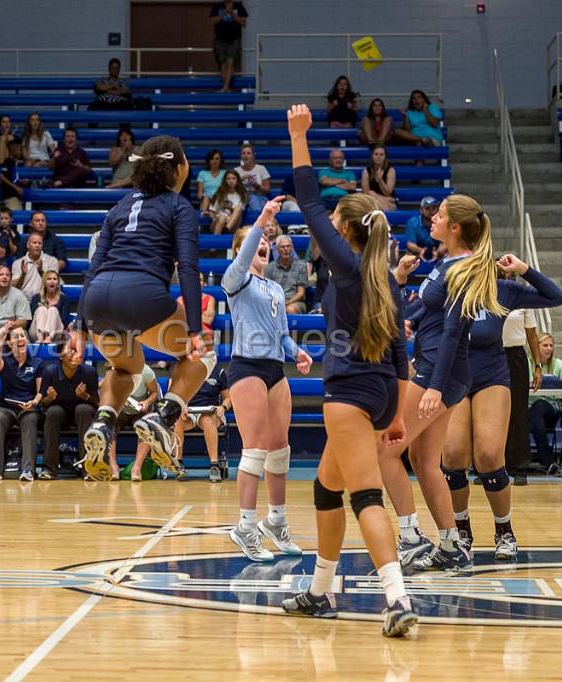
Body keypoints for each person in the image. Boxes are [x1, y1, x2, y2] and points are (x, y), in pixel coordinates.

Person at [280, 105, 417, 636]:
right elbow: (403, 356)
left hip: (351, 392)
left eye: (334, 225)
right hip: (382, 391)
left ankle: (397, 599)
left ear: (344, 231)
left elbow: (310, 201)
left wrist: (298, 137)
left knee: (364, 496)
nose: (325, 228)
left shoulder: (351, 265)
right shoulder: (384, 276)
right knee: (324, 488)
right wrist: (399, 415)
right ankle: (320, 591)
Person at [377, 191, 504, 575]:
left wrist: (433, 387)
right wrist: (401, 289)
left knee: (385, 449)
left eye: (440, 215)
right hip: (438, 368)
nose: (431, 218)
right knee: (423, 460)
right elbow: (425, 313)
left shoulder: (462, 269)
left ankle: (411, 538)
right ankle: (450, 545)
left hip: (438, 369)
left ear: (455, 227)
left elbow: (453, 332)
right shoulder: (446, 262)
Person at [77, 135, 215, 480]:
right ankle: (165, 418)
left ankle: (105, 421)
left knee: (128, 369)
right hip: (141, 297)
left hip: (98, 300)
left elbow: (93, 268)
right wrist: (195, 331)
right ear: (179, 168)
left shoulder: (120, 206)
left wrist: (79, 328)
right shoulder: (179, 206)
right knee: (204, 354)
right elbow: (187, 267)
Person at [438, 256, 562, 563]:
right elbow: (417, 319)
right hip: (453, 374)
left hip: (491, 373)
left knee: (489, 456)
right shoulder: (446, 285)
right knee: (453, 456)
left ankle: (504, 531)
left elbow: (556, 296)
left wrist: (524, 269)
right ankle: (462, 531)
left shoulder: (503, 289)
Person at [220, 208, 313, 561]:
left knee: (279, 448)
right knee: (255, 448)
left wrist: (297, 352)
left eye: (266, 243)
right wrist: (260, 223)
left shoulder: (274, 286)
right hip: (246, 368)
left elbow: (282, 334)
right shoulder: (236, 278)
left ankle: (276, 521)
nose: (264, 245)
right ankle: (245, 527)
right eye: (255, 242)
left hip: (275, 368)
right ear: (242, 250)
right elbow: (242, 262)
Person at [0, 323, 43, 481]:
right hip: (7, 407)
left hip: (28, 407)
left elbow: (40, 392)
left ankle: (28, 470)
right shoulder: (4, 357)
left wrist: (33, 402)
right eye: (16, 337)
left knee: (31, 419)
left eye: (23, 336)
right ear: (10, 343)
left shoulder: (37, 362)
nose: (20, 339)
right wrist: (0, 341)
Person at [39, 338, 99, 479]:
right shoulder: (50, 372)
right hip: (60, 416)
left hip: (82, 416)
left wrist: (85, 396)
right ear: (60, 356)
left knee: (83, 409)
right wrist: (49, 398)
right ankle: (49, 469)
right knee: (53, 412)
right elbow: (42, 404)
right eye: (70, 350)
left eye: (76, 351)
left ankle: (88, 469)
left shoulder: (89, 372)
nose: (74, 354)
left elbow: (97, 403)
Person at [503, 296, 543, 486]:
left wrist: (537, 366)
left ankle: (519, 467)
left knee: (518, 413)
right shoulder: (484, 290)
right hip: (490, 355)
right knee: (491, 414)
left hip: (516, 357)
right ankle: (491, 466)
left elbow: (532, 336)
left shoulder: (522, 297)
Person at [173, 366, 231, 480]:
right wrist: (181, 405)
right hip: (189, 412)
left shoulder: (219, 372)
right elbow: (175, 395)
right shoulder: (185, 370)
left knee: (207, 419)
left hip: (211, 412)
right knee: (177, 420)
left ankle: (214, 465)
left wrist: (223, 407)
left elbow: (228, 398)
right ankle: (178, 463)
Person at [528, 333, 562, 472]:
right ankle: (548, 461)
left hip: (550, 410)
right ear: (536, 347)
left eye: (551, 345)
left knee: (539, 405)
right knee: (532, 413)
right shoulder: (526, 362)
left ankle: (533, 459)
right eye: (545, 345)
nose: (549, 349)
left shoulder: (558, 364)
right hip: (528, 410)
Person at [118, 364, 161, 481]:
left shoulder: (147, 371)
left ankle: (137, 468)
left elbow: (154, 393)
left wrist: (147, 402)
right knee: (109, 422)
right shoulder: (116, 370)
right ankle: (113, 467)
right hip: (121, 408)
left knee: (146, 425)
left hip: (140, 409)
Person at [209, 1, 248, 92]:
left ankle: (226, 87)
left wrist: (233, 15)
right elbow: (211, 22)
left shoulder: (239, 6)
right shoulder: (217, 6)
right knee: (222, 64)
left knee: (230, 62)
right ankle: (226, 87)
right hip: (220, 39)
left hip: (234, 39)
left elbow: (244, 23)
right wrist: (224, 14)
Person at [264, 234, 308, 314]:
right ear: (277, 249)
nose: (286, 249)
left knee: (290, 309)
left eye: (288, 246)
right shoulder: (269, 267)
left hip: (295, 302)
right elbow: (268, 292)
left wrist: (287, 303)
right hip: (276, 301)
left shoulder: (301, 266)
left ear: (292, 248)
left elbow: (301, 293)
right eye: (282, 247)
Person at [13, 232, 59, 296]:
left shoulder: (52, 261)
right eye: (34, 243)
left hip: (44, 300)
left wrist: (41, 271)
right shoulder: (18, 263)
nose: (37, 245)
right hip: (24, 300)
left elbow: (53, 285)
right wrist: (23, 275)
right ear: (28, 245)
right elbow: (15, 288)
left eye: (39, 243)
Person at [29, 270, 70, 343]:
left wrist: (51, 309)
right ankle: (40, 336)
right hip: (35, 332)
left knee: (52, 310)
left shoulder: (64, 299)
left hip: (56, 333)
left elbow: (64, 321)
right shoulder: (36, 298)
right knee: (41, 309)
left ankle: (48, 337)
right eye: (49, 279)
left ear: (58, 284)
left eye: (54, 279)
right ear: (44, 283)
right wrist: (44, 310)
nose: (52, 281)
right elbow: (31, 318)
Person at [404, 196, 444, 261]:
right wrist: (421, 251)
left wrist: (438, 253)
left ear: (437, 209)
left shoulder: (441, 221)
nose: (431, 211)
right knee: (409, 255)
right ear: (421, 210)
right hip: (418, 253)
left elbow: (444, 242)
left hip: (437, 252)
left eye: (433, 208)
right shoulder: (412, 222)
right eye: (427, 208)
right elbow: (410, 244)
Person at [208, 169, 246, 235]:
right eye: (228, 179)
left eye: (234, 179)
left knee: (238, 209)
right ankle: (217, 240)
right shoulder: (219, 194)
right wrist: (216, 217)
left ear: (237, 181)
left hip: (233, 223)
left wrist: (230, 208)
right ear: (225, 181)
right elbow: (212, 212)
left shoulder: (242, 195)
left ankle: (227, 229)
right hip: (218, 221)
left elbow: (239, 212)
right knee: (222, 217)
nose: (231, 181)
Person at [362, 144, 397, 211]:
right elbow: (366, 193)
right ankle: (385, 216)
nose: (378, 157)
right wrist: (383, 198)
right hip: (372, 202)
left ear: (385, 157)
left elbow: (388, 193)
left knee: (372, 194)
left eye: (381, 155)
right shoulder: (366, 171)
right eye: (376, 154)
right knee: (371, 193)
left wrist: (380, 180)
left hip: (389, 204)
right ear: (372, 156)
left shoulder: (390, 170)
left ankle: (384, 214)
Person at [236, 144, 271, 210]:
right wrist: (240, 181)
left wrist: (257, 185)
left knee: (252, 198)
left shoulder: (261, 169)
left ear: (253, 155)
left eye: (248, 153)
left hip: (259, 198)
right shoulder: (236, 171)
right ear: (241, 156)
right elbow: (231, 189)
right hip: (242, 199)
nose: (246, 155)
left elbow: (268, 190)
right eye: (243, 153)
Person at [0, 137, 25, 210]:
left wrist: (21, 181)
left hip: (15, 197)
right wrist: (16, 188)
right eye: (19, 150)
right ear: (13, 150)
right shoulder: (7, 162)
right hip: (10, 196)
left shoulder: (14, 163)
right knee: (17, 217)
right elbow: (2, 176)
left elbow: (12, 178)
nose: (21, 152)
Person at [197, 149, 226, 214]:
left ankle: (210, 212)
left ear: (221, 161)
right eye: (212, 159)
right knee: (207, 196)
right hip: (207, 201)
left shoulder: (225, 173)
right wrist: (206, 197)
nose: (214, 161)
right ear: (209, 161)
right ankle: (205, 212)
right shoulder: (202, 173)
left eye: (217, 159)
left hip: (220, 200)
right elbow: (199, 194)